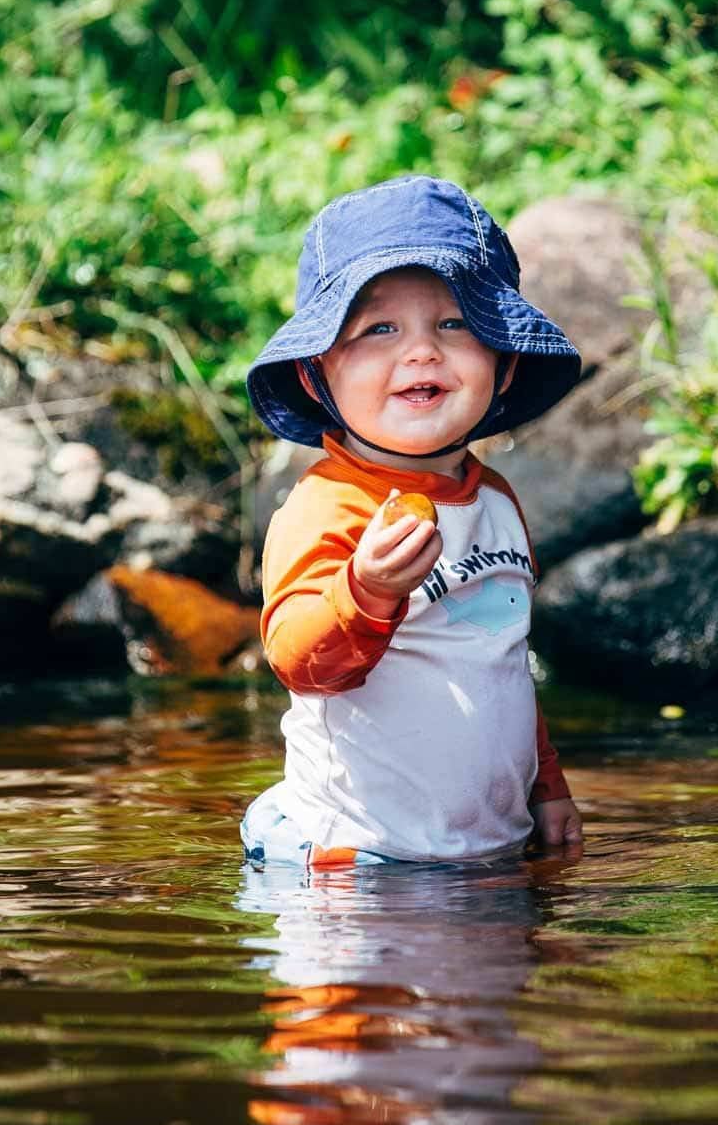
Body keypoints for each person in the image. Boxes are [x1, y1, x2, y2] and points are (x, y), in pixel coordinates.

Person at [243, 174, 584, 869]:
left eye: (455, 323)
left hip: (485, 848)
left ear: (505, 362)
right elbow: (300, 662)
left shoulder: (494, 501)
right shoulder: (328, 506)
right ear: (316, 375)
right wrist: (365, 591)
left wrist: (547, 787)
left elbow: (502, 663)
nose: (422, 351)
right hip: (357, 856)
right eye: (379, 329)